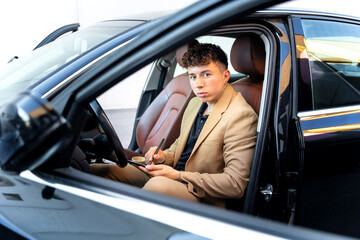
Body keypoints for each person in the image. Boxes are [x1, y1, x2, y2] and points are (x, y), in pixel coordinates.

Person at [91, 43, 258, 207]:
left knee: (157, 186)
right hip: (174, 178)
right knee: (101, 171)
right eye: (193, 76)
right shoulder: (195, 103)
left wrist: (179, 175)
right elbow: (180, 146)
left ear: (225, 76)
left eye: (206, 74)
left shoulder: (241, 115)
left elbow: (235, 184)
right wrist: (163, 156)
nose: (198, 84)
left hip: (204, 196)